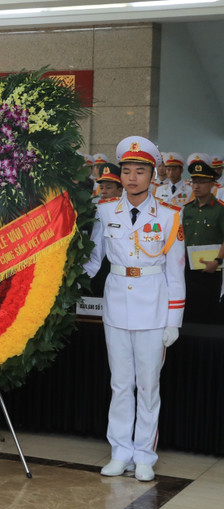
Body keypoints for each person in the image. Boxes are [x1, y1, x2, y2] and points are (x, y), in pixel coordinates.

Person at [84, 136, 185, 483]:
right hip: (116, 306)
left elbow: (176, 274)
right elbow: (92, 261)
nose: (131, 178)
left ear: (152, 175)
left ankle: (144, 454)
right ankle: (119, 451)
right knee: (120, 384)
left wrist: (174, 320)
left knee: (148, 385)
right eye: (126, 171)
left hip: (154, 308)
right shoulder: (104, 211)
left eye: (139, 171)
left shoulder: (170, 216)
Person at [180, 153, 224, 324]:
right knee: (187, 313)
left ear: (212, 184)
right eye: (194, 182)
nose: (196, 186)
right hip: (186, 270)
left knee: (207, 315)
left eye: (201, 182)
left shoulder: (220, 210)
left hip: (211, 269)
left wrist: (218, 261)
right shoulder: (186, 210)